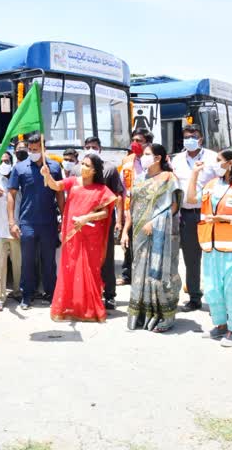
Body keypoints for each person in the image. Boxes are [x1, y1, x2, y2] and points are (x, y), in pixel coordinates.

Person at [187, 148, 232, 347]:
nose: (215, 163)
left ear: (230, 163)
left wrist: (225, 219)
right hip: (211, 248)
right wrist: (194, 174)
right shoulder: (211, 185)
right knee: (213, 290)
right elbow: (192, 199)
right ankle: (220, 325)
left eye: (219, 160)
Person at [40, 154, 118, 322]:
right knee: (71, 268)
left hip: (91, 236)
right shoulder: (73, 182)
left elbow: (105, 212)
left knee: (90, 270)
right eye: (82, 163)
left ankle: (90, 309)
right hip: (72, 233)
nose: (82, 167)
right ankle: (72, 306)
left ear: (94, 170)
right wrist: (46, 175)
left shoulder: (101, 189)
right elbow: (55, 186)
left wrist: (86, 218)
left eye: (86, 165)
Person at [122, 143, 183, 332]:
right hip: (139, 234)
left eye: (147, 154)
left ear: (158, 158)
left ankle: (165, 316)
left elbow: (174, 206)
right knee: (140, 272)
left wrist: (155, 222)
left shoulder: (169, 178)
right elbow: (131, 207)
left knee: (161, 272)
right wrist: (125, 230)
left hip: (162, 234)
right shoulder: (139, 179)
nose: (143, 157)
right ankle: (142, 313)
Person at [7, 133, 65, 310]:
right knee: (28, 260)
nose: (32, 152)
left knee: (49, 261)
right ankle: (27, 295)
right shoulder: (19, 168)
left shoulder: (54, 167)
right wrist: (12, 222)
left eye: (36, 149)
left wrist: (64, 216)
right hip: (27, 222)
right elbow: (11, 194)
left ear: (43, 149)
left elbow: (60, 192)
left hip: (48, 222)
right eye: (30, 150)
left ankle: (51, 293)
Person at [171, 124, 218, 312]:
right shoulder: (177, 160)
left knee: (212, 256)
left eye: (194, 136)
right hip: (186, 214)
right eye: (186, 136)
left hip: (208, 214)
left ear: (201, 139)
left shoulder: (213, 158)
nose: (190, 139)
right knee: (191, 258)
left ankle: (217, 297)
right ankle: (194, 297)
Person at [79, 136, 125, 310]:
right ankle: (89, 294)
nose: (90, 149)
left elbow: (118, 196)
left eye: (94, 147)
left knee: (106, 259)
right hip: (84, 221)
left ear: (100, 148)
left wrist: (119, 220)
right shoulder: (78, 169)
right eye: (88, 146)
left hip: (105, 220)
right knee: (86, 259)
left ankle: (110, 295)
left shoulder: (110, 169)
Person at [118, 128, 154, 286]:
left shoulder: (157, 158)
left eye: (139, 140)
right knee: (129, 242)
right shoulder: (127, 161)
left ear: (148, 143)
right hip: (130, 207)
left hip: (150, 207)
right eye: (133, 140)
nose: (135, 144)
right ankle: (128, 274)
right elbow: (122, 186)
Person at [0, 152, 21, 311]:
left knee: (19, 265)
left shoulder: (18, 177)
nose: (4, 164)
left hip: (15, 229)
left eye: (7, 161)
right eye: (1, 161)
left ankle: (17, 291)